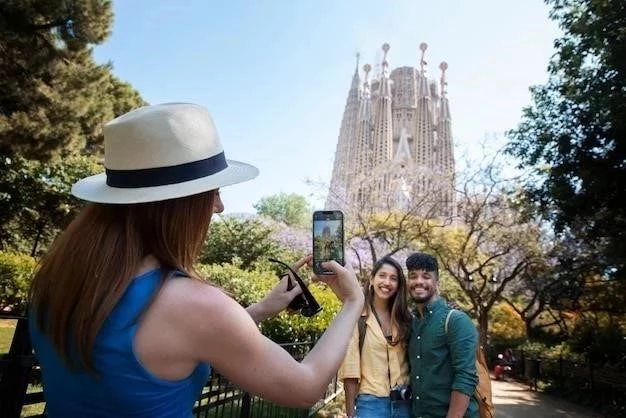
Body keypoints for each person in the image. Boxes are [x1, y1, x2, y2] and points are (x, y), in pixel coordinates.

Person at [27, 102, 364, 417]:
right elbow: (305, 388)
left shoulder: (55, 281)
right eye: (213, 192)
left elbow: (157, 347)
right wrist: (352, 301)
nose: (219, 207)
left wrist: (258, 311)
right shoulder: (194, 304)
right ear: (179, 205)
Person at [406, 252, 478, 418]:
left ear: (437, 282)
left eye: (426, 276)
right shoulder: (412, 324)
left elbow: (466, 377)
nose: (419, 282)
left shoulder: (455, 321)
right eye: (413, 276)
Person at [340, 256, 412, 418]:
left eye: (393, 278)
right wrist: (351, 414)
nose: (387, 282)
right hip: (371, 405)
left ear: (398, 285)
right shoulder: (358, 318)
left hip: (405, 404)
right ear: (372, 279)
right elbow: (350, 372)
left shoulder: (405, 319)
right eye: (382, 276)